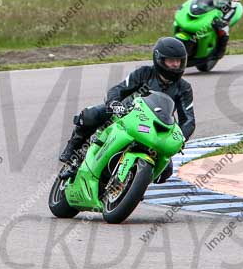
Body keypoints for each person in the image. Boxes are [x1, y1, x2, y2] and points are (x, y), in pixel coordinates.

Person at [58, 37, 195, 182]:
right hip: (126, 115)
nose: (175, 65)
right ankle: (72, 151)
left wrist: (180, 139)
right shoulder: (144, 73)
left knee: (165, 171)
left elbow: (189, 120)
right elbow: (119, 89)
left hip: (154, 130)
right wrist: (115, 103)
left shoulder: (184, 88)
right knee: (91, 115)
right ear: (160, 59)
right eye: (171, 61)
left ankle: (133, 184)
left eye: (178, 61)